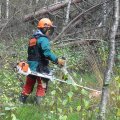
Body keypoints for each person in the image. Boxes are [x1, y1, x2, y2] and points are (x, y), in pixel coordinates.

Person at [19, 18, 65, 104]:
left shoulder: (33, 39)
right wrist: (57, 60)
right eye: (49, 30)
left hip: (31, 67)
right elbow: (47, 53)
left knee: (28, 85)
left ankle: (20, 102)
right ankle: (39, 105)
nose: (50, 32)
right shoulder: (43, 39)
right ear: (44, 28)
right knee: (42, 85)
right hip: (40, 67)